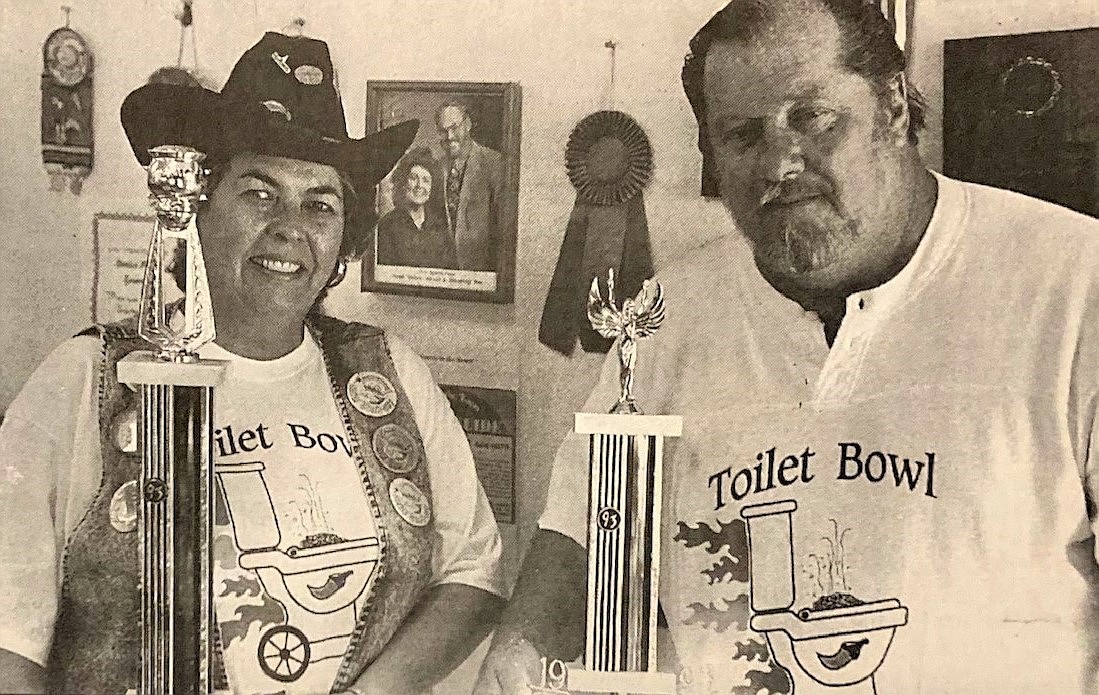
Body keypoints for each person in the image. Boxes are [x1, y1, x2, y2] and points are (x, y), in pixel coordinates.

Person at [475, 1, 1099, 694]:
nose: (777, 162)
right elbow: (587, 534)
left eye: (812, 118)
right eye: (741, 135)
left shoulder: (1076, 284)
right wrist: (518, 657)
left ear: (892, 107)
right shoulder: (665, 315)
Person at [0, 32, 506, 695]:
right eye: (259, 193)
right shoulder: (88, 377)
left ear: (344, 237)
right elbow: (8, 635)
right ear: (198, 208)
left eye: (320, 203)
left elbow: (473, 571)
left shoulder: (388, 372)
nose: (291, 226)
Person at [435, 101, 504, 272]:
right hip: (443, 272)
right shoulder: (435, 167)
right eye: (443, 131)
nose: (449, 136)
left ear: (468, 125)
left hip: (480, 271)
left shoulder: (494, 162)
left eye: (454, 127)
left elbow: (503, 228)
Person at [376, 146, 459, 269]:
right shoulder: (387, 227)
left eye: (426, 180)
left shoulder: (441, 229)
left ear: (432, 188)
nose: (419, 186)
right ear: (404, 182)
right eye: (413, 178)